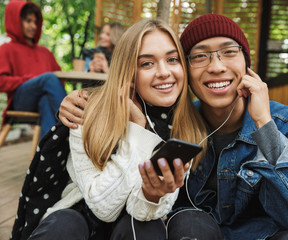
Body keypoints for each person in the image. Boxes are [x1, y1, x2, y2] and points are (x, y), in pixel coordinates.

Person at [58, 14, 288, 240]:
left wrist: (265, 126)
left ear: (246, 64)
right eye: (200, 56)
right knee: (190, 221)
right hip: (192, 232)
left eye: (229, 52)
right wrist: (83, 100)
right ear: (186, 72)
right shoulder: (173, 123)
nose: (216, 67)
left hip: (262, 236)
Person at [25, 19, 209, 240]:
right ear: (128, 70)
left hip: (136, 223)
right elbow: (103, 209)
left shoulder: (186, 126)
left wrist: (151, 196)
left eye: (172, 59)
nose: (164, 72)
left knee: (144, 227)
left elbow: (142, 212)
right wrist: (136, 130)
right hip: (83, 214)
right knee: (64, 226)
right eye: (147, 63)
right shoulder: (87, 113)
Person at [0, 1, 67, 138]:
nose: (33, 26)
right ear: (16, 21)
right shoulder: (7, 49)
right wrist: (31, 79)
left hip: (42, 100)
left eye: (35, 22)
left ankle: (48, 155)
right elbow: (1, 82)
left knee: (45, 100)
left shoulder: (45, 52)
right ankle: (75, 126)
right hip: (21, 101)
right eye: (28, 21)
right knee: (48, 78)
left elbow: (60, 80)